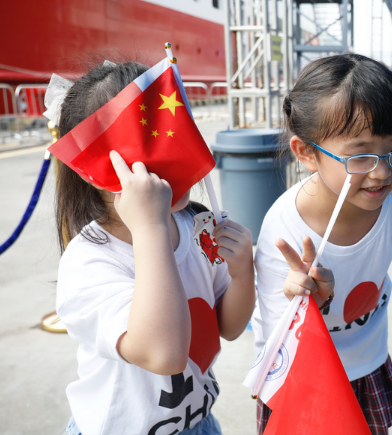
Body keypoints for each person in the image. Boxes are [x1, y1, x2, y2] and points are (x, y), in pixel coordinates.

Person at [53, 61, 259, 435]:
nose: (172, 167)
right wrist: (150, 226)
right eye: (147, 153)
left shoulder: (196, 228)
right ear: (95, 169)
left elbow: (228, 328)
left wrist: (243, 275)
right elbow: (163, 354)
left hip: (199, 423)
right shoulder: (89, 261)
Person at [252, 53, 392, 435]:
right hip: (303, 374)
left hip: (367, 360)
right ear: (306, 153)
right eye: (360, 156)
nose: (381, 173)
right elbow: (279, 335)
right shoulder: (286, 231)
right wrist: (304, 301)